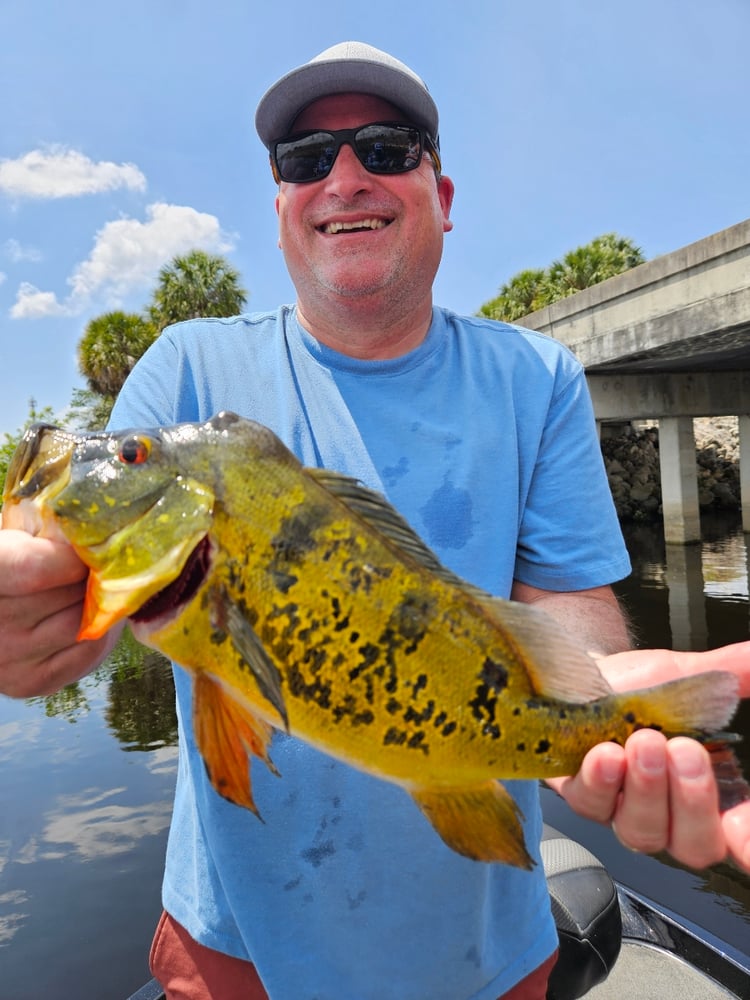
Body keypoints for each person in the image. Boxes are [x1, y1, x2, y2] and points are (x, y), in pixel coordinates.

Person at [1, 41, 749, 1000]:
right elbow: (64, 563)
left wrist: (596, 706)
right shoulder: (186, 371)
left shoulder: (536, 378)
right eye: (306, 160)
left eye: (386, 148)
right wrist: (31, 617)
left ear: (441, 194)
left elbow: (568, 611)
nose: (343, 178)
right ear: (279, 209)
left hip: (488, 952)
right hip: (236, 953)